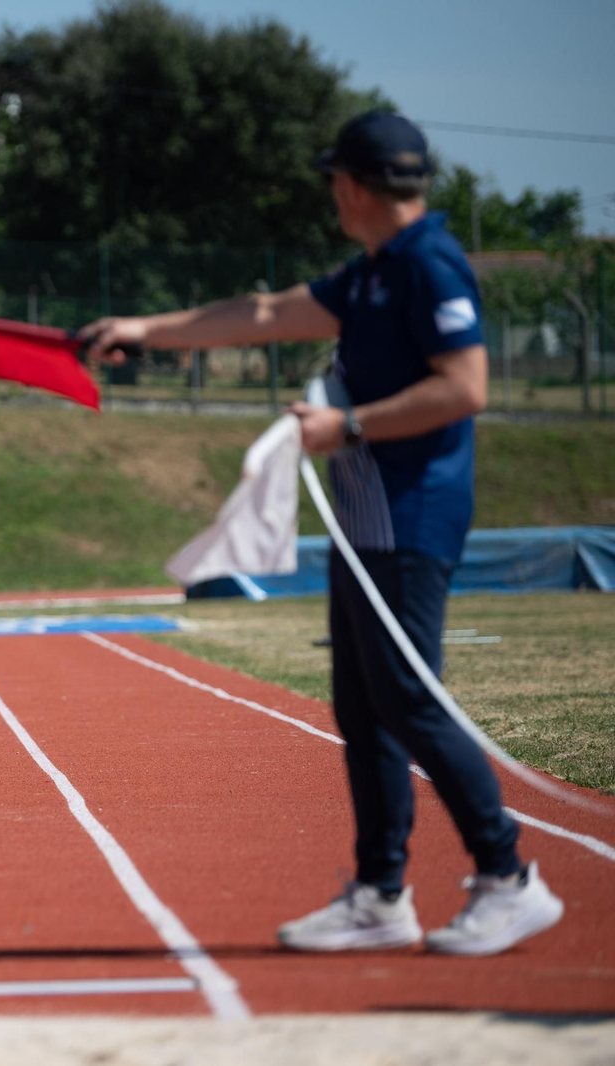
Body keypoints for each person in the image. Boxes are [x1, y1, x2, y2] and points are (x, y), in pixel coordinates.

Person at [81, 111, 563, 956]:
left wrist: (349, 424)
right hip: (365, 524)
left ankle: (508, 876)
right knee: (363, 706)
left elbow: (466, 386)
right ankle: (380, 896)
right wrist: (146, 330)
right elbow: (266, 311)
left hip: (411, 521)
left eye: (333, 182)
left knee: (408, 699)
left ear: (351, 185)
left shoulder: (429, 265)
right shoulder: (374, 271)